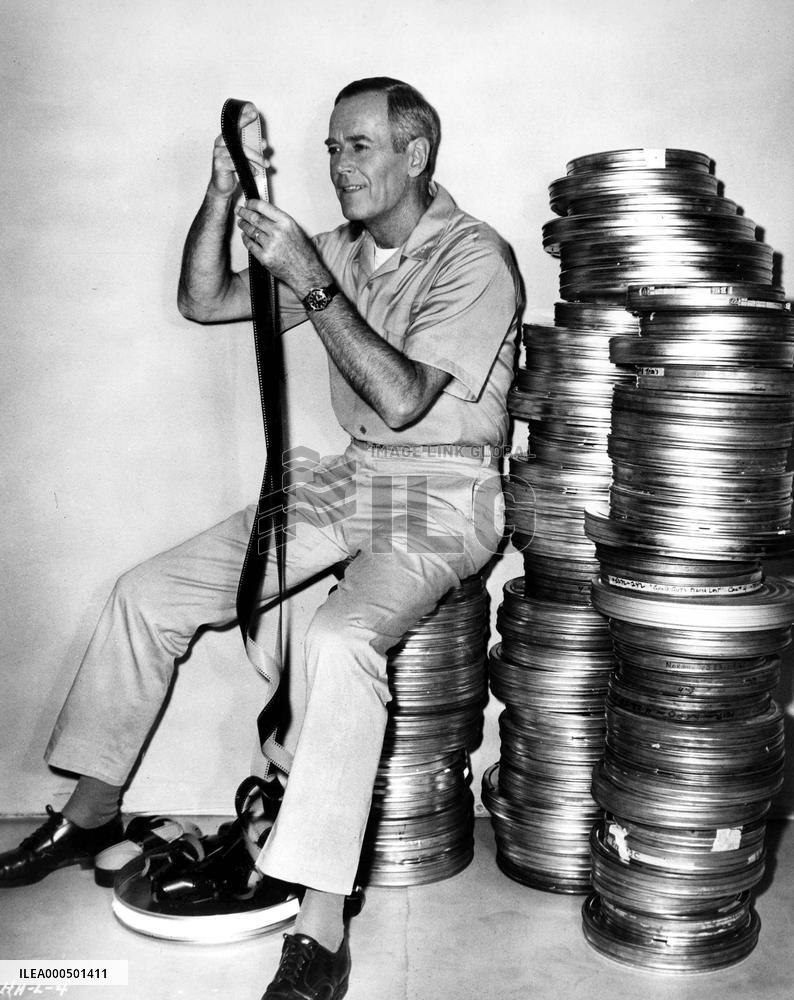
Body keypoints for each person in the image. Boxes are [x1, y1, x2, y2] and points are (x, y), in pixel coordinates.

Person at [0, 77, 521, 999]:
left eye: (357, 146)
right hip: (354, 475)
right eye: (329, 148)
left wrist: (311, 282)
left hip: (443, 491)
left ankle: (320, 926)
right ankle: (89, 812)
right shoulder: (346, 250)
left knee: (338, 639)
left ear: (416, 154)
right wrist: (219, 199)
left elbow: (404, 399)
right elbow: (203, 302)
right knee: (145, 592)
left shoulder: (476, 257)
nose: (337, 165)